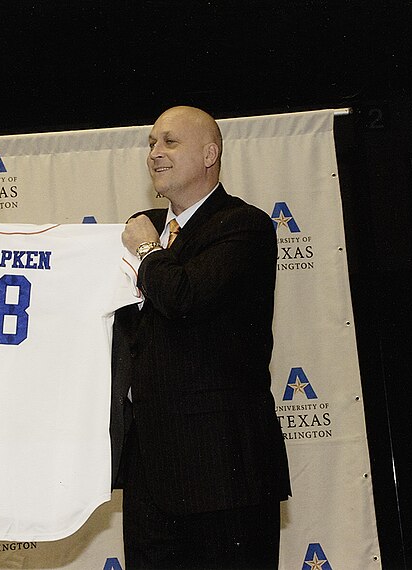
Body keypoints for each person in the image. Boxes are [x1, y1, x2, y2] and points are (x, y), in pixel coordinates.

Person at [111, 106, 291, 569]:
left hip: (224, 470)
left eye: (170, 142)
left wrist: (149, 250)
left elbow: (183, 295)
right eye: (151, 143)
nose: (155, 153)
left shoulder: (242, 226)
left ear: (210, 154)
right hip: (150, 474)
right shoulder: (142, 228)